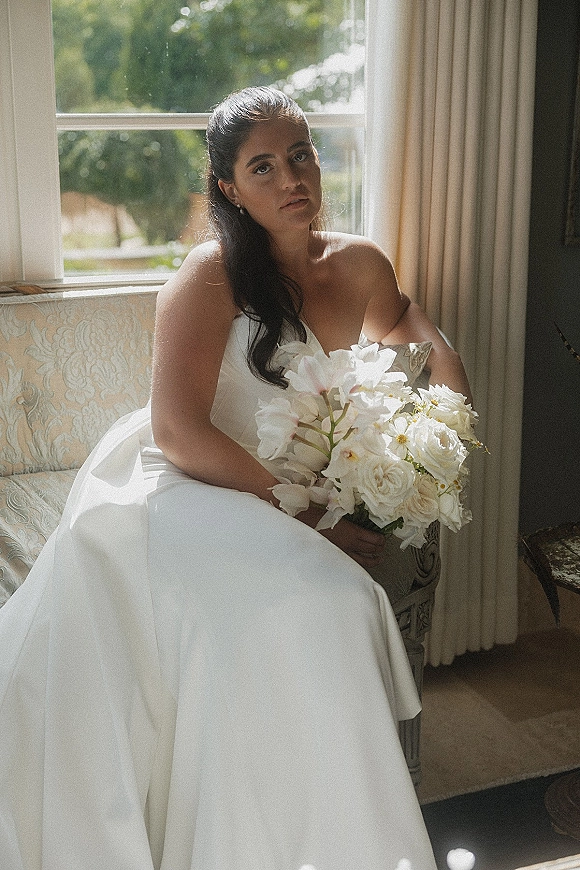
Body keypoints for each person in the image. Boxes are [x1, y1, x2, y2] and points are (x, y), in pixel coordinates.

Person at [0, 87, 472, 870]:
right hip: (191, 480)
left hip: (283, 486)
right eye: (263, 166)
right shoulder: (208, 275)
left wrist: (444, 426)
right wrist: (311, 517)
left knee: (329, 603)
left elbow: (416, 331)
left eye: (301, 154)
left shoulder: (359, 262)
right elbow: (178, 429)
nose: (291, 178)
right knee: (324, 598)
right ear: (228, 188)